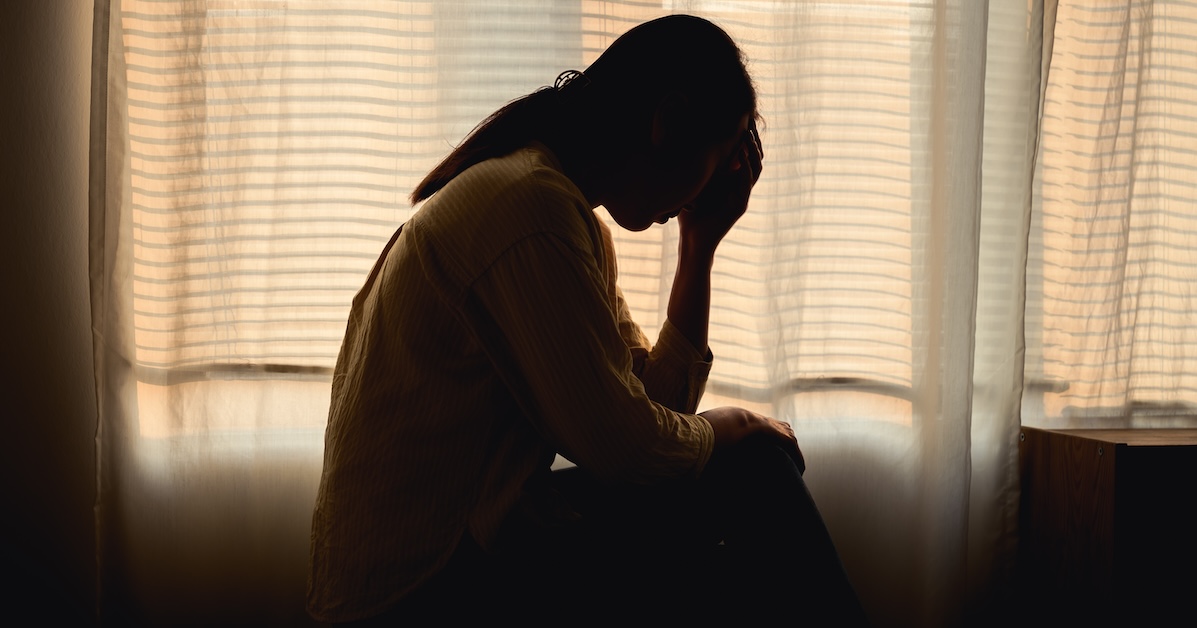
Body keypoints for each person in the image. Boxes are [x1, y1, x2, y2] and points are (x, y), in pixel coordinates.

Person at [307, 14, 868, 626]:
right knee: (754, 472)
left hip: (477, 549)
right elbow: (629, 451)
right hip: (423, 592)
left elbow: (657, 419)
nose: (700, 195)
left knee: (746, 493)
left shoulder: (566, 219)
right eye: (717, 162)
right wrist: (730, 427)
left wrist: (698, 249)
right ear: (668, 123)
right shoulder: (529, 208)